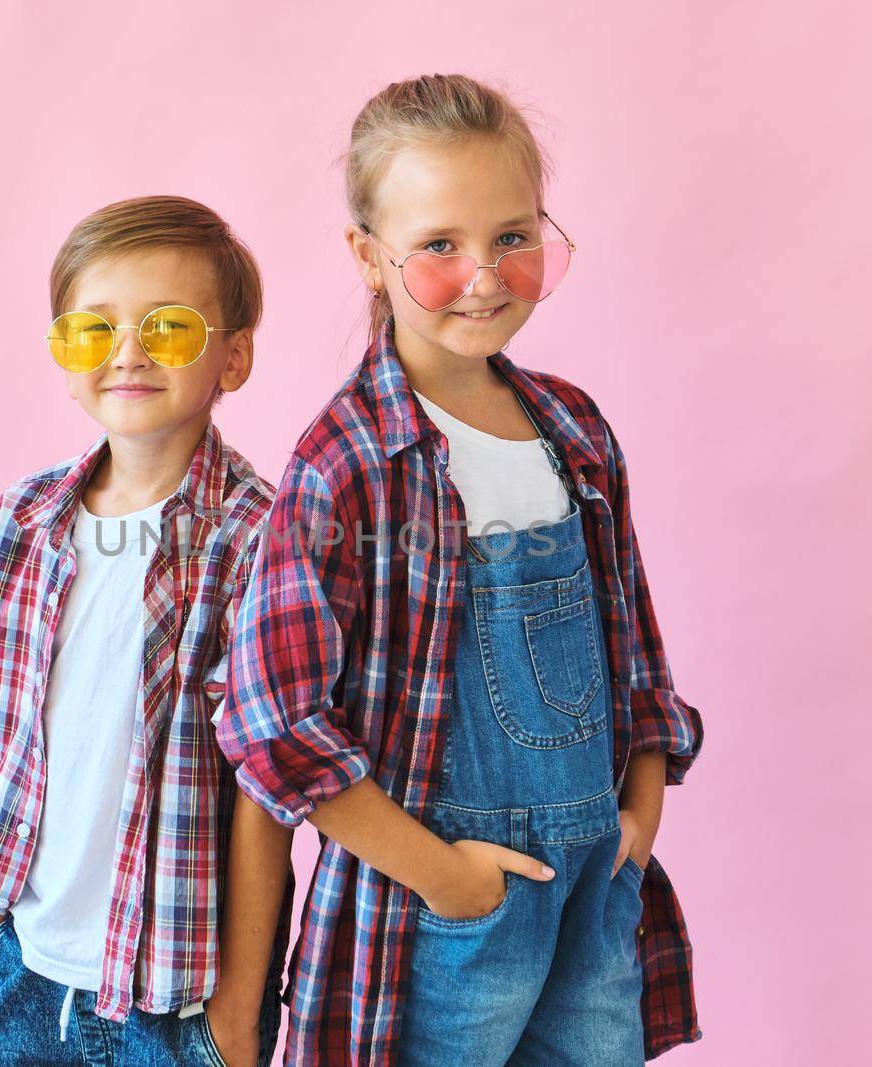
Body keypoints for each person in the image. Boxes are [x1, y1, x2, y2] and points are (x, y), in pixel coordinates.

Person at [218, 75, 704, 1064]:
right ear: (367, 254)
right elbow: (271, 721)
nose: (482, 276)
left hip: (590, 893)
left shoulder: (573, 430)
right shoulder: (346, 463)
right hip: (440, 919)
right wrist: (443, 876)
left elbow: (634, 650)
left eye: (513, 237)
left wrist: (636, 819)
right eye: (439, 245)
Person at [0, 195, 293, 1066]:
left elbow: (268, 794)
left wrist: (236, 1014)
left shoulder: (260, 539)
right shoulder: (26, 519)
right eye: (93, 330)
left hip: (175, 1000)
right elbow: (13, 748)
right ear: (63, 356)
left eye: (169, 327)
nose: (129, 353)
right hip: (22, 973)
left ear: (234, 356)